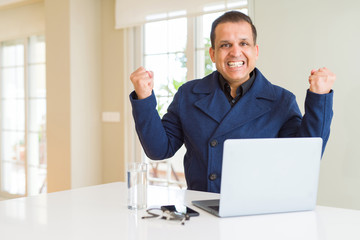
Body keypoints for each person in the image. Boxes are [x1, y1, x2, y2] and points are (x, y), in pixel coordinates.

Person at [129, 11, 335, 193]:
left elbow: (303, 159)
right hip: (201, 209)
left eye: (243, 43)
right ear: (213, 53)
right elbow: (158, 149)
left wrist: (319, 97)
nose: (235, 52)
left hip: (257, 210)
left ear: (256, 51)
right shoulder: (188, 94)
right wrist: (144, 97)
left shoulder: (281, 100)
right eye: (225, 45)